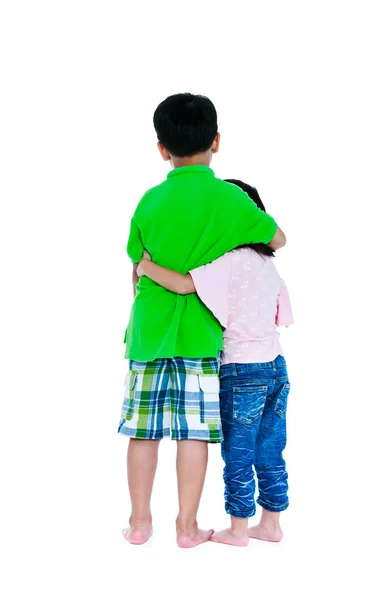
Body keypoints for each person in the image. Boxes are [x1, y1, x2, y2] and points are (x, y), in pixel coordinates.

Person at [119, 93, 286, 548]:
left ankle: (138, 524)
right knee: (193, 432)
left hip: (149, 329)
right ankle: (187, 527)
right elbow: (277, 237)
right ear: (216, 141)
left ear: (161, 148)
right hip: (200, 333)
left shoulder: (149, 200)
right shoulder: (230, 200)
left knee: (142, 430)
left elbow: (137, 265)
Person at [137, 179, 293, 547]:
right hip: (276, 367)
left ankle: (239, 529)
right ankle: (272, 523)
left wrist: (146, 268)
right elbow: (282, 315)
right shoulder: (269, 266)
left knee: (237, 452)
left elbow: (183, 285)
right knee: (270, 447)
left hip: (241, 369)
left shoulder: (228, 262)